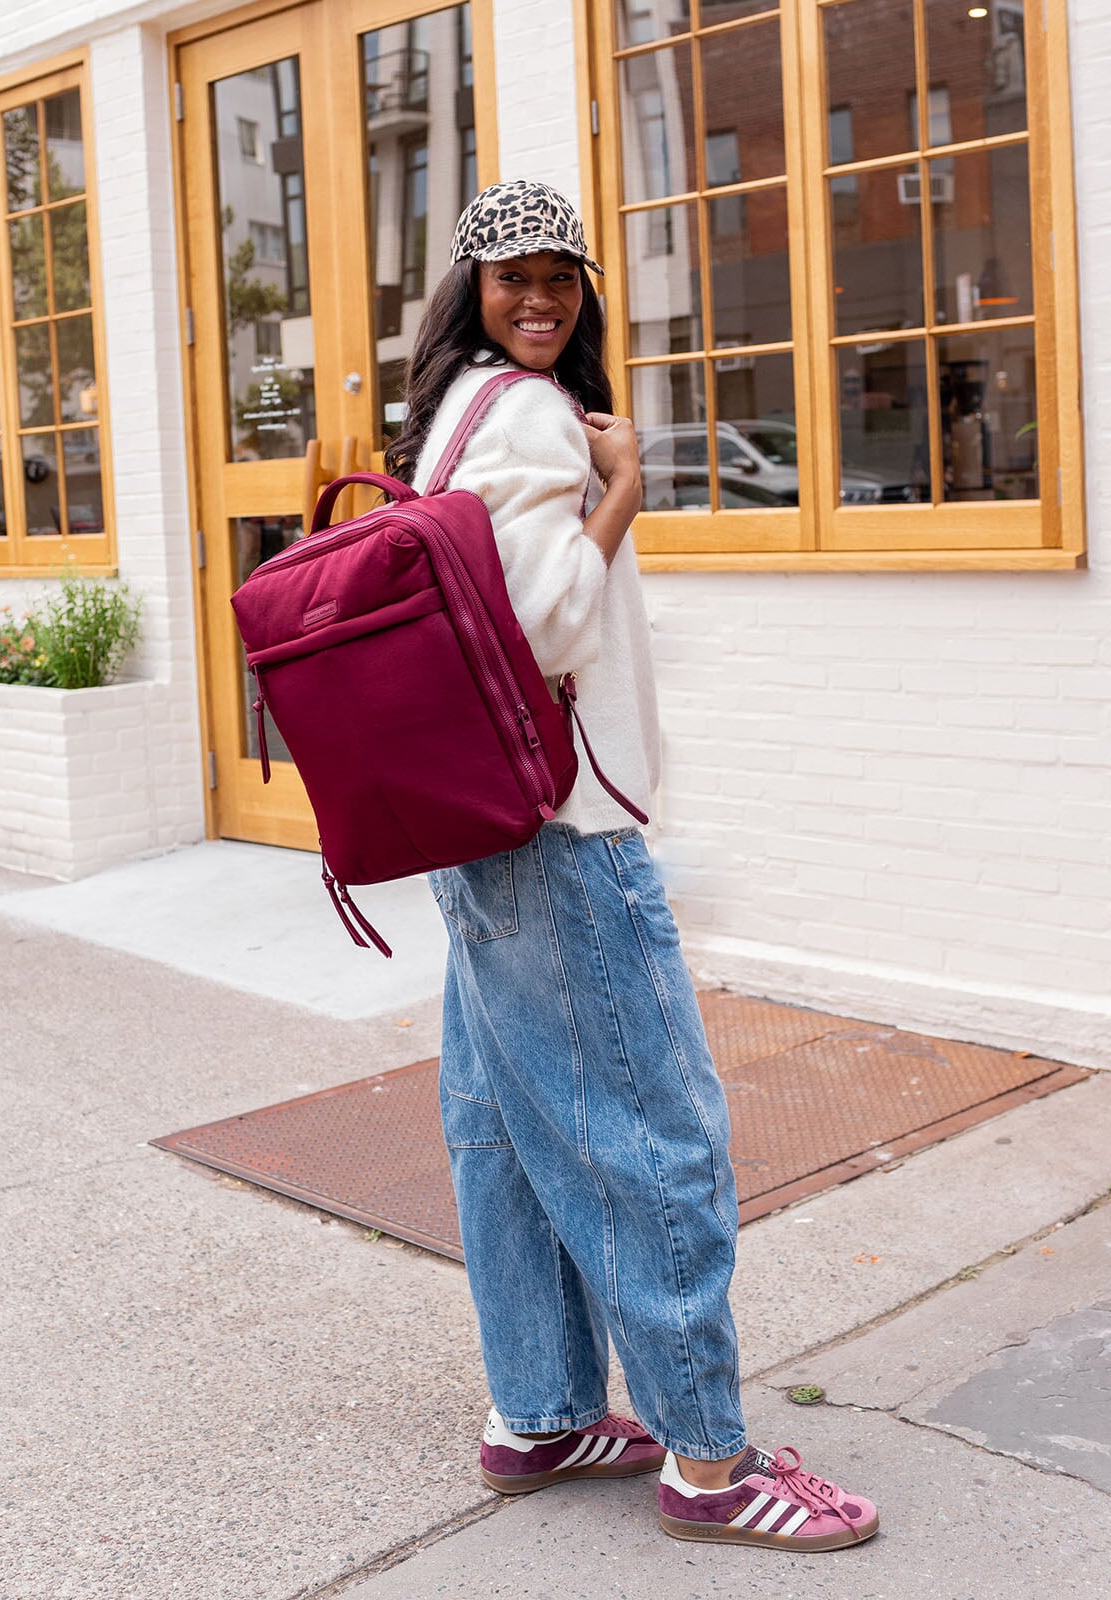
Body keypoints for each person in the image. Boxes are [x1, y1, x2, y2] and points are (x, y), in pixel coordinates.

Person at [387, 178, 879, 1553]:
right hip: (561, 832)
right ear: (471, 293)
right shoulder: (541, 419)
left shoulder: (452, 417)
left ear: (586, 288)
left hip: (476, 832)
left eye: (561, 278)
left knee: (499, 1126)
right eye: (511, 280)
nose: (538, 302)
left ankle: (537, 1414)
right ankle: (712, 1465)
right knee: (652, 1134)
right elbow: (545, 621)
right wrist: (625, 492)